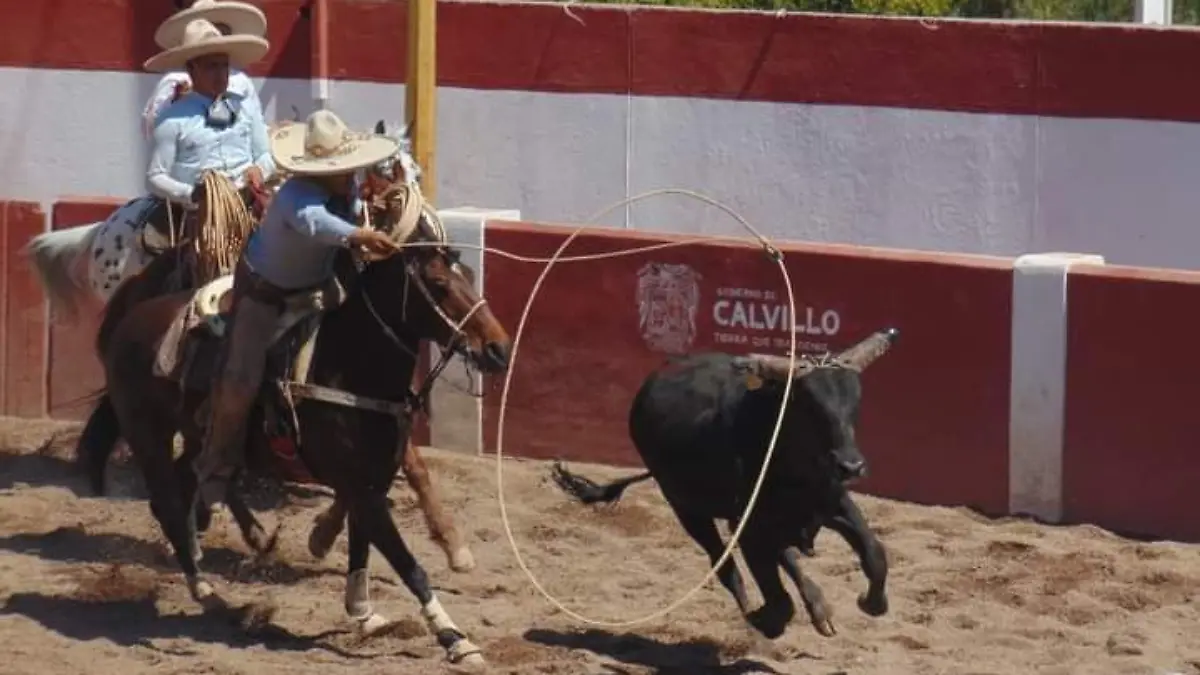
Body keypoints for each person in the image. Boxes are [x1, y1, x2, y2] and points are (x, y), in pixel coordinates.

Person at [192, 109, 405, 507]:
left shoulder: (348, 188)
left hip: (320, 285)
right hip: (264, 293)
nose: (349, 174)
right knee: (240, 379)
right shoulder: (295, 196)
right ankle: (214, 472)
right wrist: (360, 233)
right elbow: (315, 223)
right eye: (341, 168)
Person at [144, 18, 274, 215]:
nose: (221, 74)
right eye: (211, 67)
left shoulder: (244, 106)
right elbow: (154, 177)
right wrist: (191, 193)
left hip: (247, 205)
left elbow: (265, 155)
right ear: (191, 69)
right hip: (198, 215)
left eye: (224, 66)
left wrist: (259, 170)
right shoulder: (172, 119)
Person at [141, 0, 267, 140]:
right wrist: (176, 103)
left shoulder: (243, 82)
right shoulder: (174, 80)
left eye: (224, 32)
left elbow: (256, 125)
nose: (218, 38)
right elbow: (151, 128)